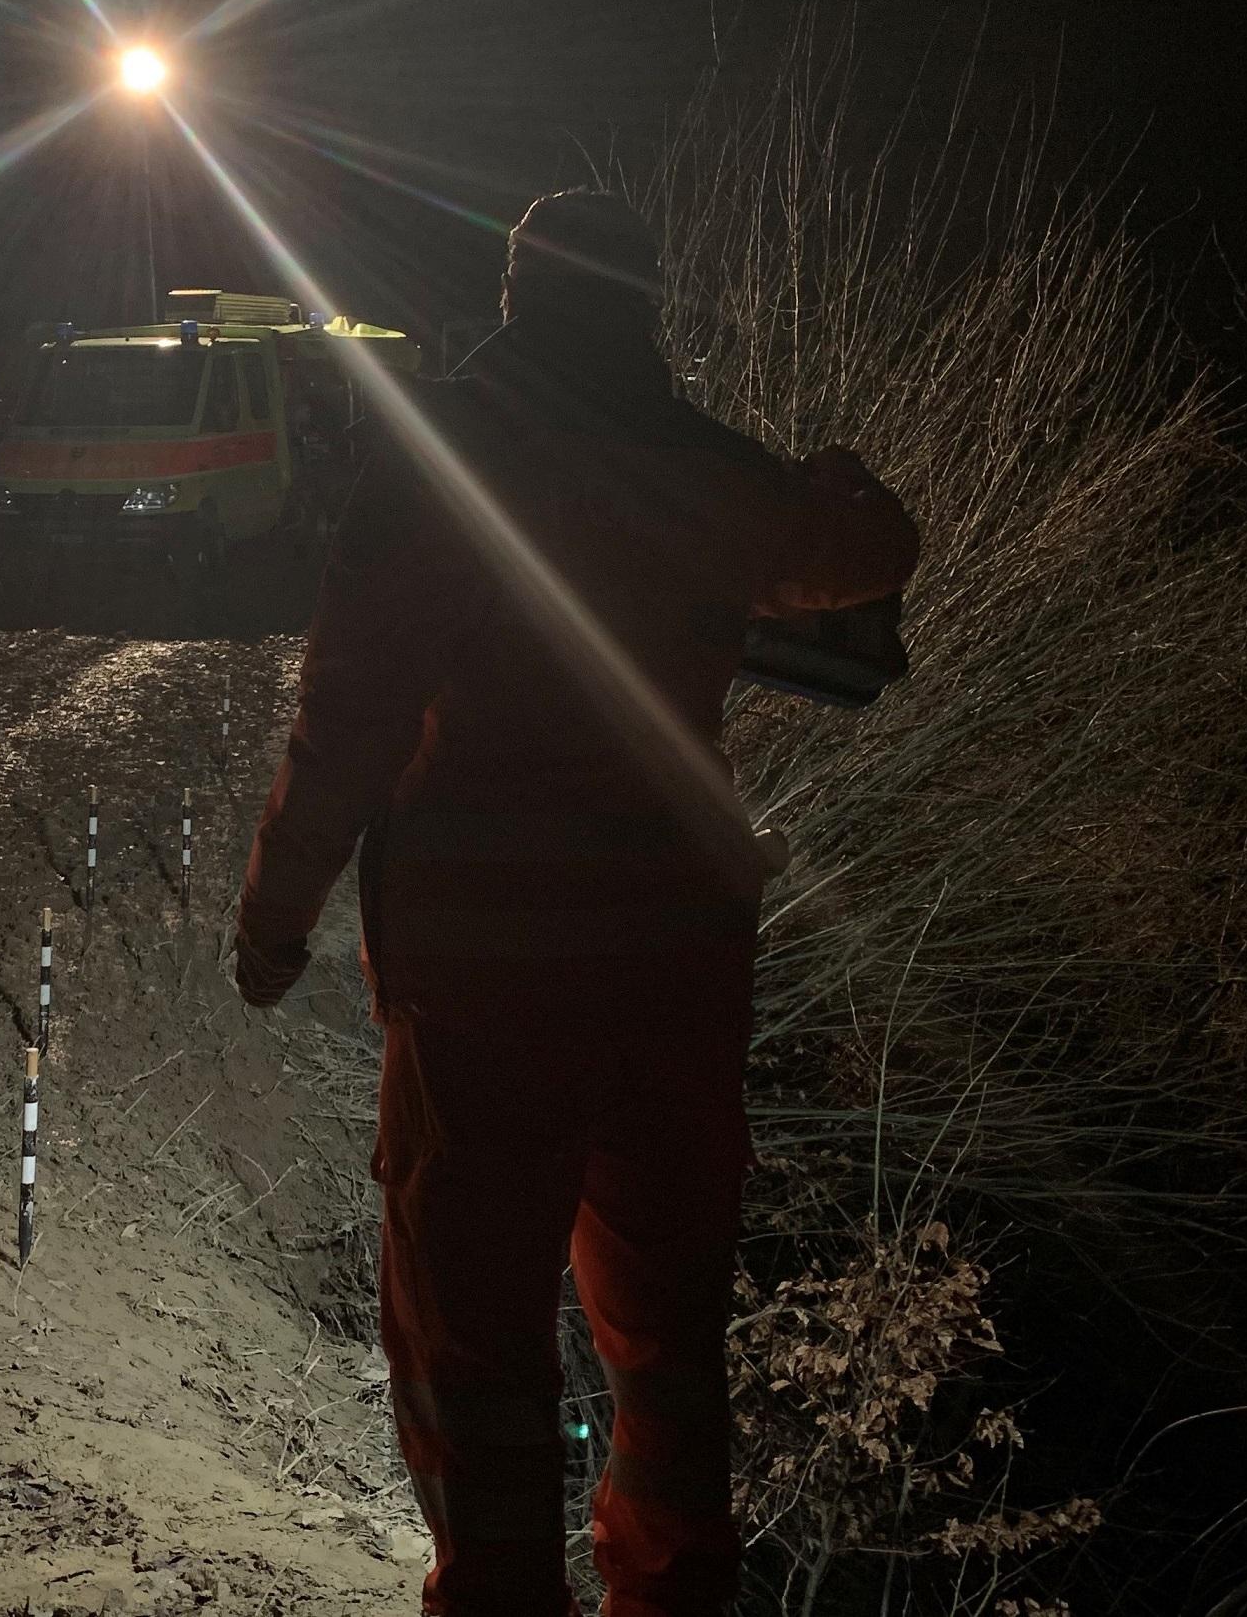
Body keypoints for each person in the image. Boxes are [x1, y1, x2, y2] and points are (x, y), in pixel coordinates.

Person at [233, 192, 920, 1615]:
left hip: (487, 965)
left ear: (517, 293)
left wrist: (275, 915)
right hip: (678, 953)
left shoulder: (451, 457)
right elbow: (873, 550)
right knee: (667, 1335)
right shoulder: (715, 472)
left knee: (473, 1335)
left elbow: (349, 715)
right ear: (646, 302)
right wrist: (844, 481)